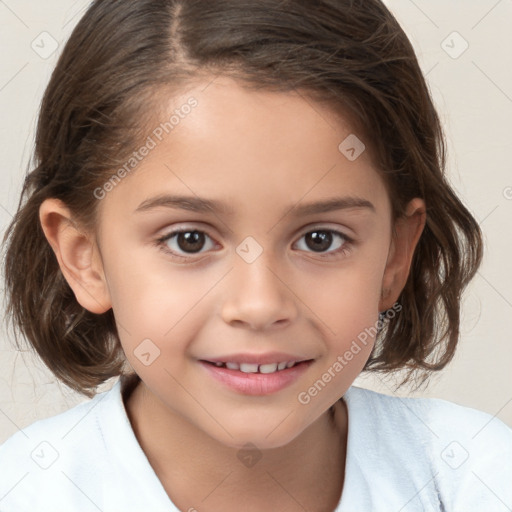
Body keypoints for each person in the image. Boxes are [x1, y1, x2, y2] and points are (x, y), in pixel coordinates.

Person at [0, 1, 510, 511]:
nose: (260, 304)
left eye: (320, 239)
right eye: (189, 240)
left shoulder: (476, 479)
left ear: (395, 256)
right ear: (84, 258)